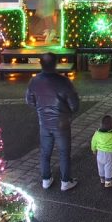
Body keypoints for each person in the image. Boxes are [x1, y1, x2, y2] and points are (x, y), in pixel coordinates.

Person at [26, 53, 80, 190]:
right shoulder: (64, 81)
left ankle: (46, 179)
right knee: (64, 152)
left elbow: (29, 100)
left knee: (45, 152)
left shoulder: (34, 81)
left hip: (44, 122)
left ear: (41, 63)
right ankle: (65, 181)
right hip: (62, 123)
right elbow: (74, 105)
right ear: (56, 63)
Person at [89, 115, 112, 189]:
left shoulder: (97, 133)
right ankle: (108, 181)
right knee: (108, 167)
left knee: (100, 166)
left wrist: (93, 149)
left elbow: (93, 142)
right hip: (110, 154)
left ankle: (102, 179)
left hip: (99, 154)